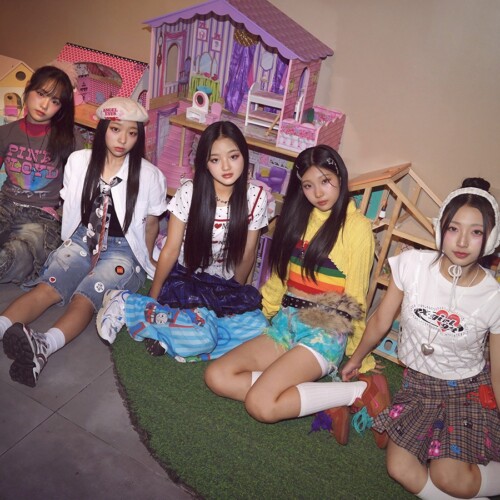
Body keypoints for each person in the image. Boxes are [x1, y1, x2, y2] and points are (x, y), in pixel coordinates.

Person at [204, 145, 390, 447]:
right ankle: (320, 398)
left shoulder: (357, 228)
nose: (318, 192)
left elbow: (356, 297)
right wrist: (264, 310)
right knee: (217, 376)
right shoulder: (297, 218)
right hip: (286, 324)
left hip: (324, 331)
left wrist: (359, 355)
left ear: (340, 177)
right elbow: (280, 276)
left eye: (325, 181)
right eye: (308, 185)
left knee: (260, 404)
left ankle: (356, 392)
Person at [341, 178, 500, 498]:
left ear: (491, 239)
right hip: (418, 385)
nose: (462, 241)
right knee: (399, 469)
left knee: (448, 476)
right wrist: (356, 359)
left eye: (476, 232)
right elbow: (381, 320)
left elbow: (498, 369)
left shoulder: (493, 297)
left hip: (466, 389)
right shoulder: (412, 266)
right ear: (441, 230)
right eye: (453, 228)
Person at [0, 97, 168, 387]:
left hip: (122, 251)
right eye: (115, 129)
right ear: (103, 129)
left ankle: (44, 346)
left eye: (131, 133)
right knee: (48, 287)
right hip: (82, 238)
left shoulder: (150, 175)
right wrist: (65, 241)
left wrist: (148, 258)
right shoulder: (80, 162)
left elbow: (151, 223)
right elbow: (70, 206)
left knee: (85, 297)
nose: (123, 140)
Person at [97, 120, 269, 362]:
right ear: (205, 163)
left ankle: (173, 335)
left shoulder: (256, 197)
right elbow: (170, 249)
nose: (226, 166)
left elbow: (248, 253)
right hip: (190, 281)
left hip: (226, 284)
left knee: (259, 327)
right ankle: (129, 304)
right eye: (215, 159)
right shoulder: (189, 193)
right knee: (207, 332)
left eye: (233, 156)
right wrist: (152, 298)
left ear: (244, 156)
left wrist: (233, 299)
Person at [0, 65, 84, 284]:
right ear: (29, 89)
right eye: (41, 94)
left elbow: (80, 186)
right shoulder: (6, 133)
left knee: (17, 257)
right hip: (5, 203)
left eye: (55, 101)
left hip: (41, 216)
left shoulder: (71, 139)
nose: (45, 105)